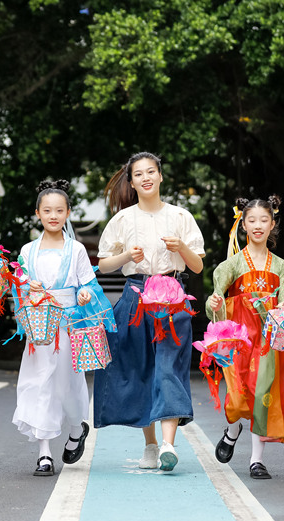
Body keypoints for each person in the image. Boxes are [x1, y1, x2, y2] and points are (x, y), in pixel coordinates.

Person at [94, 152, 205, 472]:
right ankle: (150, 445)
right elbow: (104, 264)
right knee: (142, 370)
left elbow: (196, 266)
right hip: (136, 296)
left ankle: (169, 444)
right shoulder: (123, 220)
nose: (145, 177)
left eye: (151, 171)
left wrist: (180, 248)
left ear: (160, 176)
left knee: (169, 368)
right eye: (138, 174)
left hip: (172, 297)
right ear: (131, 182)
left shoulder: (181, 216)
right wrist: (127, 254)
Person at [12, 180, 115, 476]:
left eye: (59, 210)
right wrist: (25, 286)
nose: (53, 215)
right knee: (38, 381)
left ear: (68, 213)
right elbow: (18, 286)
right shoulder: (27, 250)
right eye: (47, 210)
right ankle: (44, 453)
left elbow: (88, 284)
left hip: (68, 326)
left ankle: (74, 428)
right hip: (40, 328)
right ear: (38, 213)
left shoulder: (77, 249)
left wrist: (84, 294)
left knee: (68, 383)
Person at [206, 195, 284, 480]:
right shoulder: (231, 265)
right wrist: (217, 305)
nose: (258, 225)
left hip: (268, 340)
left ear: (273, 224)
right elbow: (215, 299)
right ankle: (232, 431)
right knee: (236, 397)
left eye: (264, 220)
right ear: (243, 224)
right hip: (239, 338)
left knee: (263, 395)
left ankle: (256, 460)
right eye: (252, 220)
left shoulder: (280, 266)